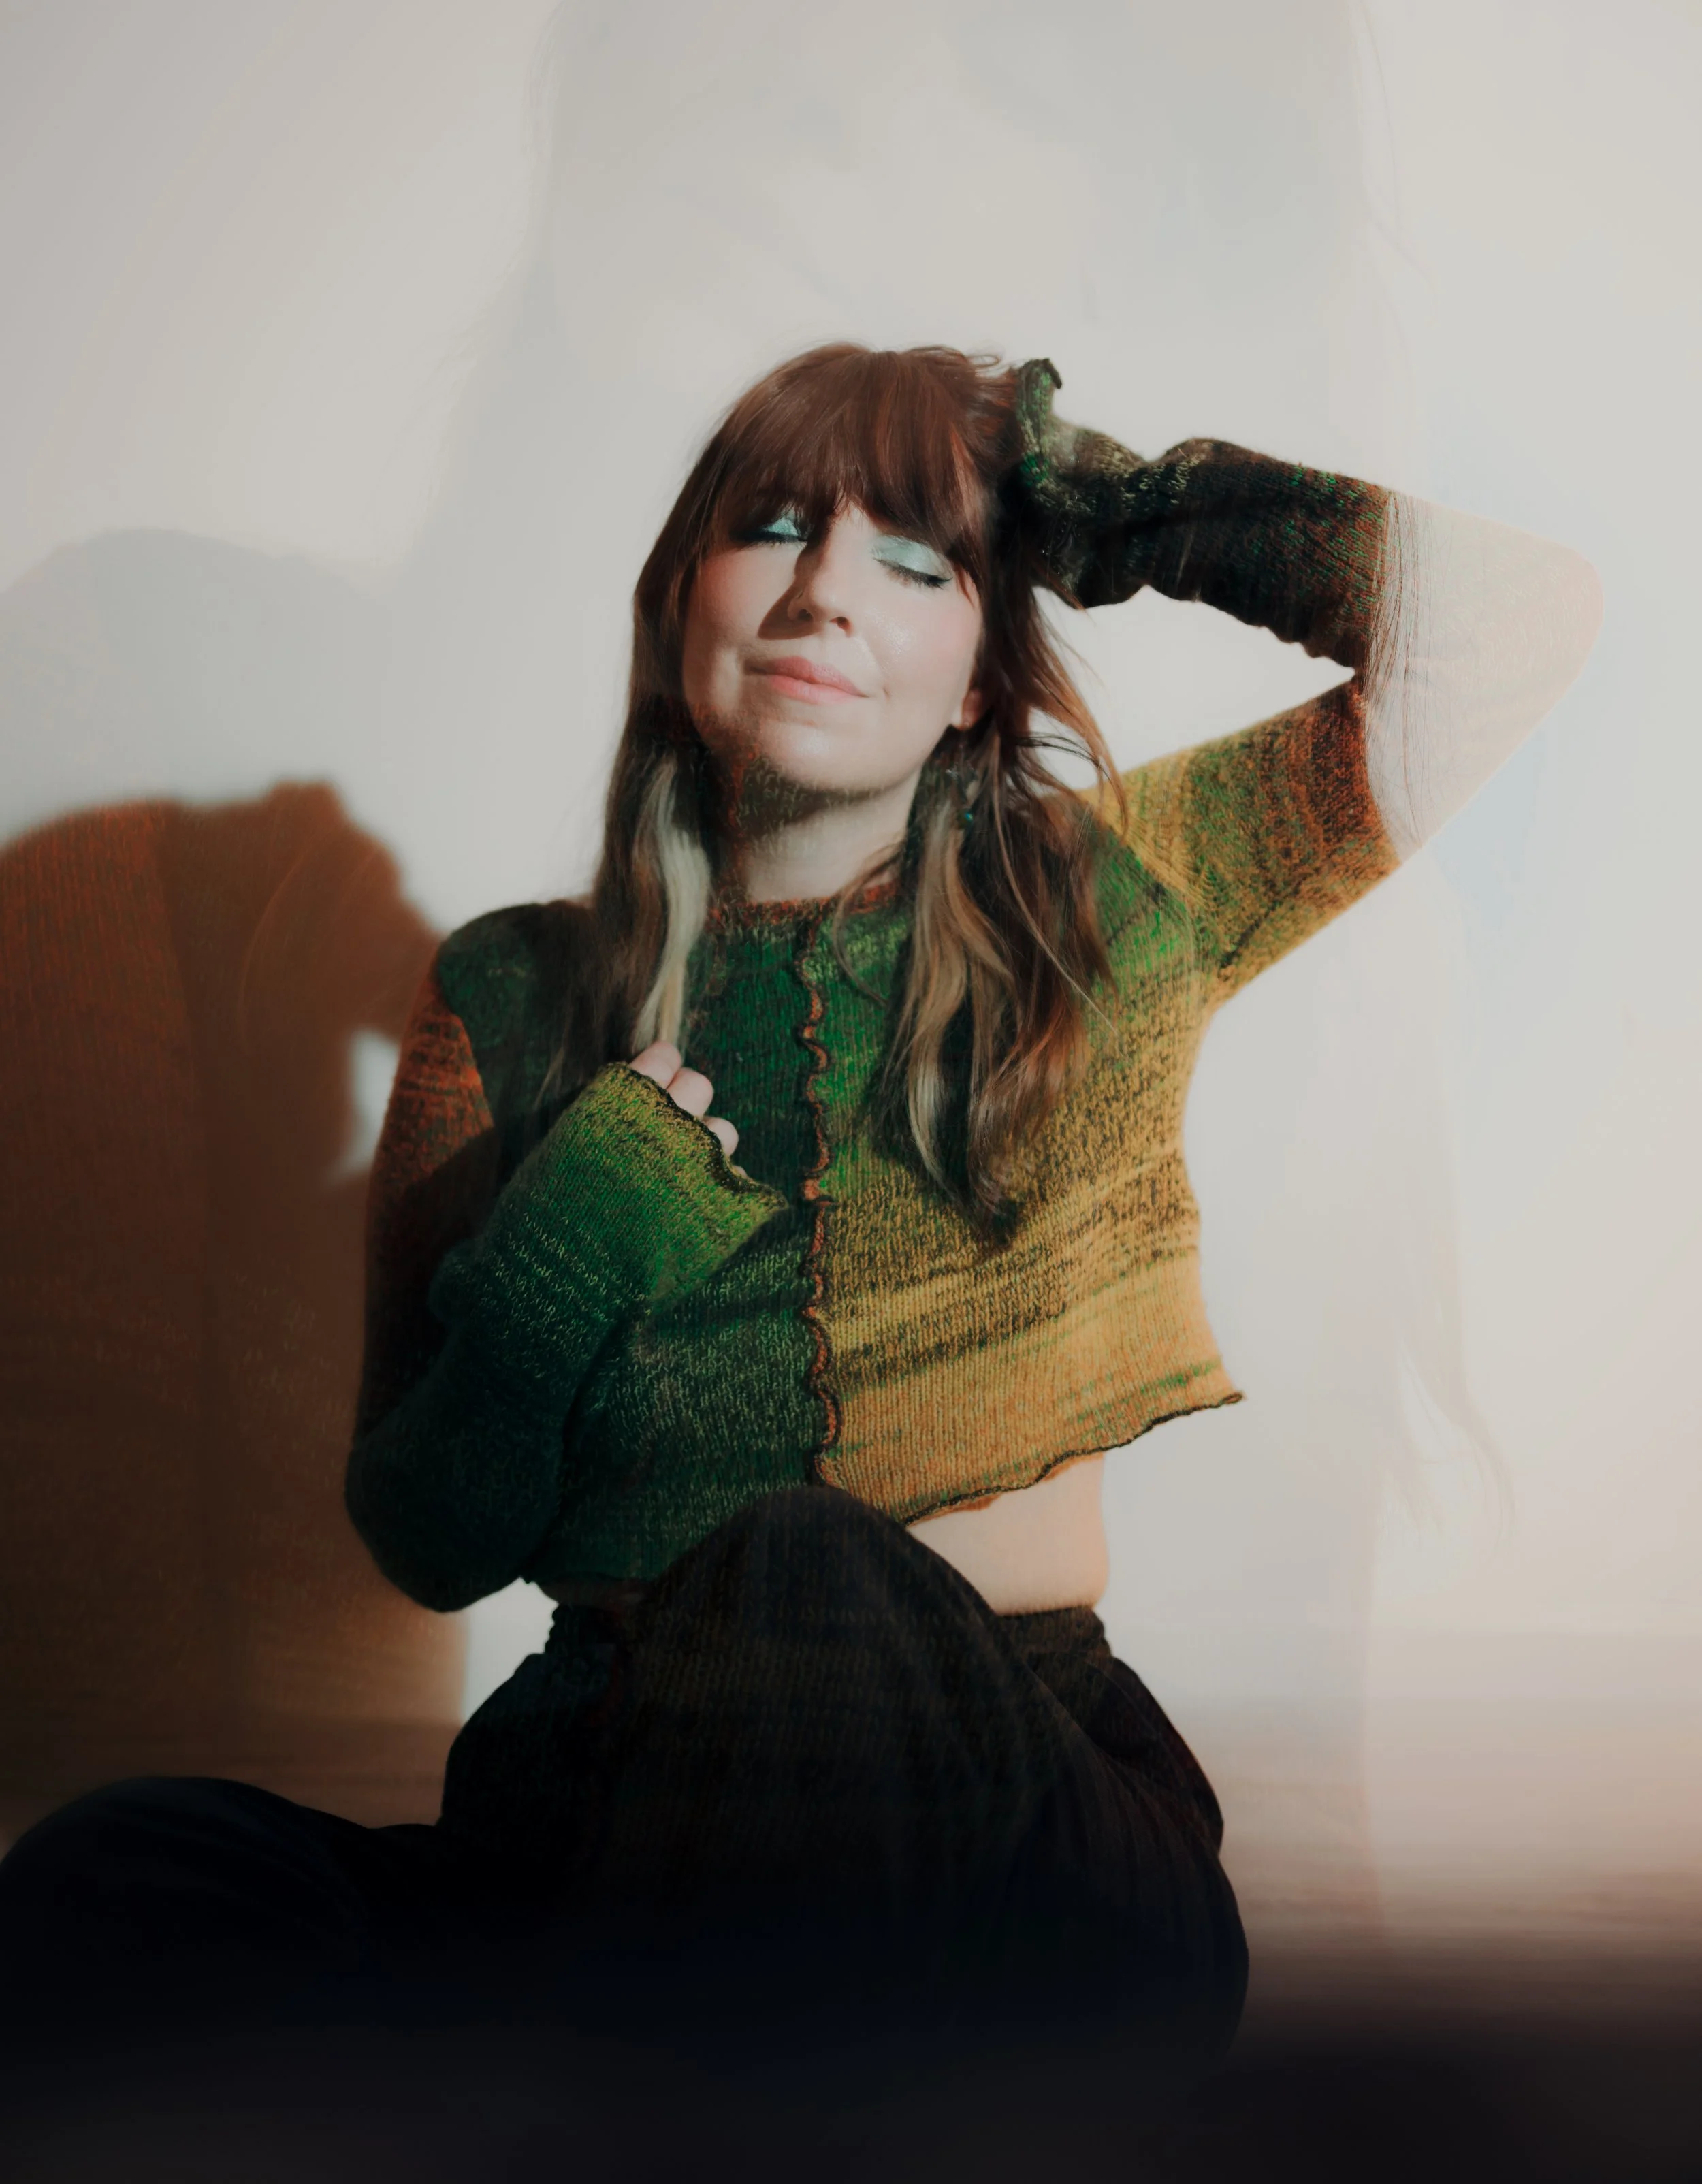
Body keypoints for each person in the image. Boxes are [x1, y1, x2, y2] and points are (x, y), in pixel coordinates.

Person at [0, 344, 1599, 2078]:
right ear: (681, 605)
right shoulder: (510, 995)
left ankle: (573, 2078)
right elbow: (427, 1535)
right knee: (116, 1871)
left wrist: (1124, 510)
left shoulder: (1120, 897)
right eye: (770, 530)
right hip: (588, 1815)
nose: (826, 593)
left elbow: (1510, 624)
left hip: (1019, 1837)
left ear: (982, 673)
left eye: (915, 562)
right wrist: (555, 1267)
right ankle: (595, 2064)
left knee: (799, 1571)